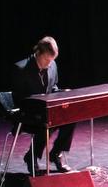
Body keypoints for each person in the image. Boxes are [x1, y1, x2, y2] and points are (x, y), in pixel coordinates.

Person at [12, 36, 74, 173]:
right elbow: (19, 99)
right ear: (38, 52)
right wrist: (38, 103)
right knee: (47, 120)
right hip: (27, 113)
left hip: (46, 110)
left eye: (52, 60)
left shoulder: (52, 64)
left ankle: (56, 153)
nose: (49, 63)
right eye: (47, 59)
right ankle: (32, 156)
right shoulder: (21, 69)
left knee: (71, 117)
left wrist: (62, 93)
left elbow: (53, 88)